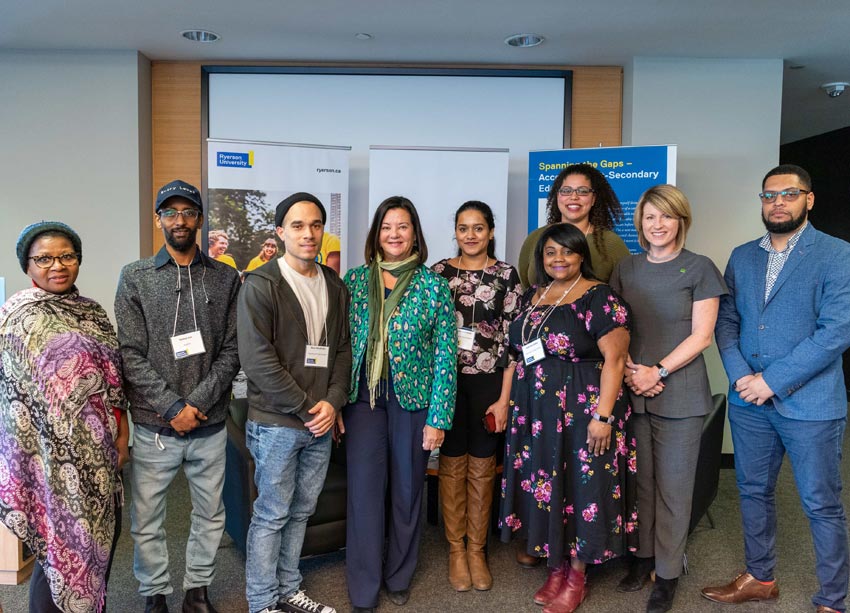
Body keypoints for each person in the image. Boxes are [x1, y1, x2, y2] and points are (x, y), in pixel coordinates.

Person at [702, 164, 850, 613]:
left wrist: (772, 381)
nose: (778, 202)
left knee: (821, 504)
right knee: (752, 491)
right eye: (769, 195)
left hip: (812, 404)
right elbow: (727, 322)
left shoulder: (836, 253)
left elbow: (836, 330)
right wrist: (743, 377)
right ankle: (760, 578)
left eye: (788, 194)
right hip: (751, 403)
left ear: (809, 199)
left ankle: (833, 600)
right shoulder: (743, 255)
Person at [115, 179, 241, 613]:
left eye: (188, 212)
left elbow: (232, 350)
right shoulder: (135, 277)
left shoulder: (225, 278)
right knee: (147, 521)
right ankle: (154, 595)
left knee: (209, 515)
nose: (180, 220)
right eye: (170, 213)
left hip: (208, 425)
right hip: (155, 427)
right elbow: (129, 353)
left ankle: (197, 591)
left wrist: (197, 405)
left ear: (201, 220)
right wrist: (172, 408)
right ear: (158, 220)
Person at [500, 223, 637, 613]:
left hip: (583, 407)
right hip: (537, 410)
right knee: (550, 482)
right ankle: (557, 565)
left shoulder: (599, 297)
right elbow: (517, 352)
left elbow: (615, 359)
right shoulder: (534, 295)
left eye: (567, 252)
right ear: (541, 259)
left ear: (581, 256)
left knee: (583, 486)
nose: (558, 259)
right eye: (550, 253)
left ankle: (578, 573)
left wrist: (604, 417)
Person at [0, 222, 129, 613]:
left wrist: (121, 435)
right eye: (44, 259)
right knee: (56, 552)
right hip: (49, 462)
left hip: (100, 457)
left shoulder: (91, 312)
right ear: (28, 265)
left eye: (66, 256)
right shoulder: (18, 317)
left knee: (102, 543)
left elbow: (113, 381)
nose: (56, 266)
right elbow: (15, 394)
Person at [609, 185, 726, 613]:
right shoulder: (626, 268)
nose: (658, 225)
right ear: (640, 223)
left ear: (682, 221)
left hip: (680, 394)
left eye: (667, 217)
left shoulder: (699, 268)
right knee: (639, 486)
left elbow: (703, 335)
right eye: (650, 217)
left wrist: (656, 371)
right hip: (632, 388)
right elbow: (613, 330)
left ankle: (668, 573)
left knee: (675, 490)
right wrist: (631, 373)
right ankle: (641, 559)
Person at [341, 196, 457, 613]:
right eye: (387, 226)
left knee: (408, 492)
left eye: (403, 226)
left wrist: (438, 417)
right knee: (365, 493)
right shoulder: (354, 281)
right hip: (363, 401)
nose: (394, 234)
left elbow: (446, 353)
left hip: (414, 401)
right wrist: (336, 403)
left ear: (415, 234)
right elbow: (340, 346)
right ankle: (364, 587)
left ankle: (399, 576)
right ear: (376, 233)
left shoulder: (433, 285)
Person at [238, 193, 351, 613]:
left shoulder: (334, 284)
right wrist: (309, 407)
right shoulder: (262, 283)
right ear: (280, 232)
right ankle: (262, 602)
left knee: (302, 511)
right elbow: (256, 359)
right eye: (299, 226)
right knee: (272, 514)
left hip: (320, 422)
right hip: (277, 423)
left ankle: (289, 590)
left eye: (316, 225)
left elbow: (342, 350)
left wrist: (333, 402)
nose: (309, 234)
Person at [431, 201, 522, 592]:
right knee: (451, 463)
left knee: (483, 465)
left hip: (489, 383)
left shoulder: (505, 275)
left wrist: (504, 400)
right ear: (455, 231)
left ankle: (476, 550)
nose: (471, 235)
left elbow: (515, 341)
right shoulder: (437, 274)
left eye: (479, 228)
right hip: (446, 385)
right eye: (464, 228)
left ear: (490, 232)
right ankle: (455, 550)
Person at [518, 163, 629, 287]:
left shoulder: (610, 243)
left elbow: (625, 291)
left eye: (582, 191)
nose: (574, 197)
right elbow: (525, 288)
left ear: (593, 199)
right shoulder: (535, 237)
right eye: (566, 191)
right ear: (557, 196)